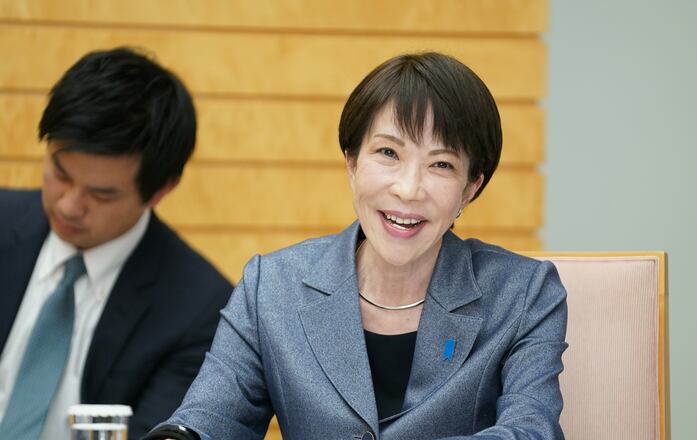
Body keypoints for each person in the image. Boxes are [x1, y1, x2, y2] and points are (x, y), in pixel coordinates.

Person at [146, 52, 568, 440]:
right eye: (388, 153)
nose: (408, 188)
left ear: (470, 188)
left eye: (441, 164)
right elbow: (210, 418)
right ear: (352, 161)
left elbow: (531, 430)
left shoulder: (524, 293)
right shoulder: (271, 287)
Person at [0, 47, 232, 439]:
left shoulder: (200, 312)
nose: (69, 205)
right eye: (60, 172)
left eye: (102, 194)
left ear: (161, 190)